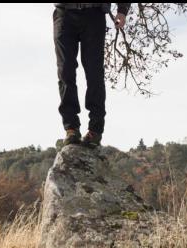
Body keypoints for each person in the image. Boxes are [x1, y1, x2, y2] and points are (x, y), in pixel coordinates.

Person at [53, 3, 131, 148]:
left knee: (94, 73)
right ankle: (71, 129)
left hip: (94, 14)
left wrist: (122, 10)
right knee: (65, 71)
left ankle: (95, 131)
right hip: (64, 15)